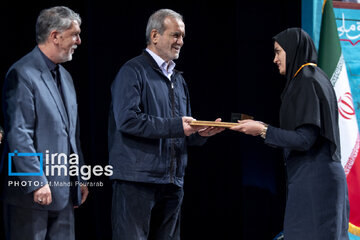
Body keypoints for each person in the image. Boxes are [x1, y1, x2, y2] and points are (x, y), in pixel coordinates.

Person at [108, 8, 224, 240]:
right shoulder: (132, 71)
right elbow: (128, 121)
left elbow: (183, 130)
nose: (180, 41)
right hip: (137, 180)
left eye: (182, 36)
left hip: (172, 182)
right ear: (154, 36)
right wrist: (177, 127)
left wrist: (201, 133)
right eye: (175, 35)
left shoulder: (178, 79)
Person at [230, 28, 349, 239]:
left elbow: (305, 140)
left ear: (293, 50)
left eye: (278, 52)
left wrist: (263, 130)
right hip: (323, 178)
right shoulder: (318, 77)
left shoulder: (305, 80)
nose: (275, 59)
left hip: (314, 182)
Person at [2, 6, 88, 240]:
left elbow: (72, 136)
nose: (79, 41)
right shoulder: (22, 73)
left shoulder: (66, 77)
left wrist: (78, 177)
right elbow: (19, 134)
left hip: (63, 196)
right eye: (74, 34)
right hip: (30, 196)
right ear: (55, 36)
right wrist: (36, 181)